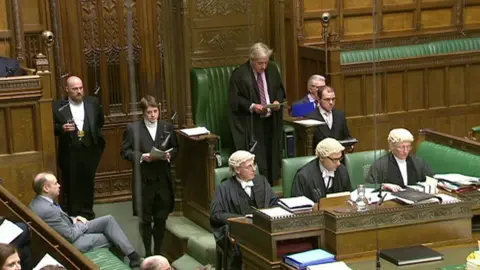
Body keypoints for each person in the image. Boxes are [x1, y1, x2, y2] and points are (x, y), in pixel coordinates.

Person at [29, 172, 142, 268]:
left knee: (108, 220)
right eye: (55, 183)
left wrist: (74, 219)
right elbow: (70, 236)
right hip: (68, 244)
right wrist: (81, 225)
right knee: (109, 237)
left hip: (69, 229)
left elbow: (61, 219)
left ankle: (133, 256)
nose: (59, 185)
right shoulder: (47, 210)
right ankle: (130, 260)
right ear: (46, 188)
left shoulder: (38, 202)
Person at [121, 95, 177, 257]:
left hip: (162, 179)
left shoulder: (167, 127)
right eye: (149, 112)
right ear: (143, 113)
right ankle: (147, 252)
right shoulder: (133, 129)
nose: (153, 115)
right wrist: (141, 156)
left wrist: (169, 155)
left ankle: (158, 251)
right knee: (145, 220)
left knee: (161, 219)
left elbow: (175, 148)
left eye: (155, 111)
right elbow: (125, 152)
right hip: (144, 181)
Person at [229, 42, 286, 185]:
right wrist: (252, 106)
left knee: (272, 155)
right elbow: (234, 99)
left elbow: (279, 89)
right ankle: (259, 185)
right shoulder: (240, 74)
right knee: (258, 159)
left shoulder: (272, 69)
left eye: (266, 62)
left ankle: (273, 185)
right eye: (260, 63)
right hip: (251, 124)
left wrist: (277, 101)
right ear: (252, 60)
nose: (264, 66)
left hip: (271, 121)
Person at [210, 150, 279, 270]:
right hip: (239, 231)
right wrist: (241, 220)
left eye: (254, 164)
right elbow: (216, 215)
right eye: (249, 166)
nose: (254, 169)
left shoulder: (261, 181)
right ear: (237, 170)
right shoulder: (224, 188)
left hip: (263, 227)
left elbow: (274, 202)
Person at [52, 75, 105, 219]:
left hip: (90, 149)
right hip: (70, 151)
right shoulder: (58, 106)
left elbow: (100, 121)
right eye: (75, 89)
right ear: (67, 89)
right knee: (72, 183)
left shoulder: (92, 102)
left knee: (88, 181)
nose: (79, 91)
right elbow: (50, 128)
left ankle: (88, 212)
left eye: (81, 88)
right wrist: (62, 128)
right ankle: (74, 214)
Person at [367, 128, 434, 192]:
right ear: (392, 146)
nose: (405, 151)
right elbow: (369, 186)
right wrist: (384, 186)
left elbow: (431, 178)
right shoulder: (380, 165)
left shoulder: (417, 162)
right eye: (401, 147)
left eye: (408, 147)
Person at [305, 86, 351, 151]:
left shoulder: (340, 115)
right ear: (318, 99)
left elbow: (347, 136)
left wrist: (350, 147)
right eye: (327, 99)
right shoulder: (310, 117)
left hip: (339, 157)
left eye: (333, 99)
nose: (331, 102)